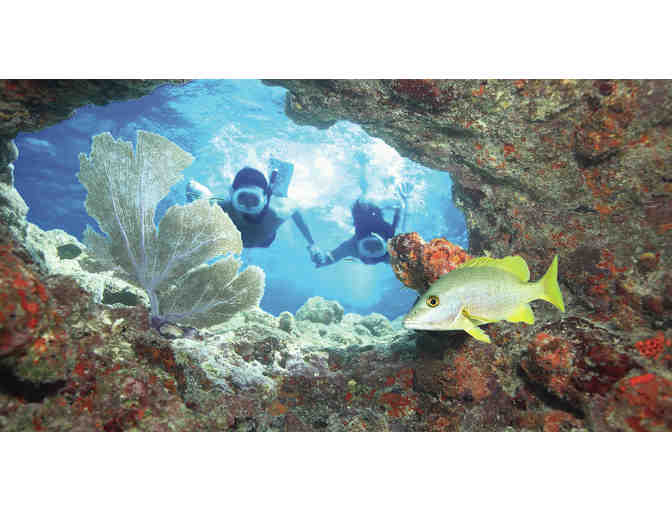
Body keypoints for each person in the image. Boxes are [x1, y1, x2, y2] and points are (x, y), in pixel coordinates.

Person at [186, 163, 319, 254]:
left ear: (264, 199)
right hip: (252, 232)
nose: (247, 207)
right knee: (206, 198)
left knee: (280, 194)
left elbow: (295, 209)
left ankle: (275, 183)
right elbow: (193, 189)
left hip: (264, 240)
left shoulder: (277, 212)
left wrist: (312, 244)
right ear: (232, 194)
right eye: (242, 198)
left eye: (254, 200)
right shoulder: (220, 207)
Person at [310, 183, 412, 267]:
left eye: (368, 246)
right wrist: (404, 199)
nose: (371, 255)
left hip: (367, 218)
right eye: (376, 246)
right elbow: (401, 213)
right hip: (372, 218)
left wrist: (319, 257)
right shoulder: (393, 241)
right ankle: (366, 192)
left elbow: (328, 259)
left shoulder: (352, 247)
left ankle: (365, 192)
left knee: (362, 206)